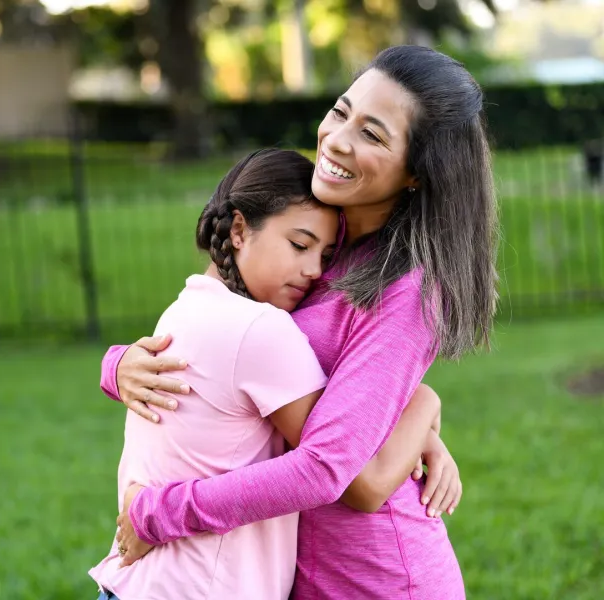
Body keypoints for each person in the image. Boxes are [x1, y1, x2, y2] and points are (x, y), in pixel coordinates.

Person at [105, 45, 499, 599]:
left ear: (416, 174)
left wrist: (161, 513)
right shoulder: (320, 241)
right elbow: (214, 320)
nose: (338, 140)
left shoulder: (409, 289)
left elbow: (343, 474)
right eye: (341, 112)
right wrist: (119, 363)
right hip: (296, 573)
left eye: (374, 134)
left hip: (378, 577)